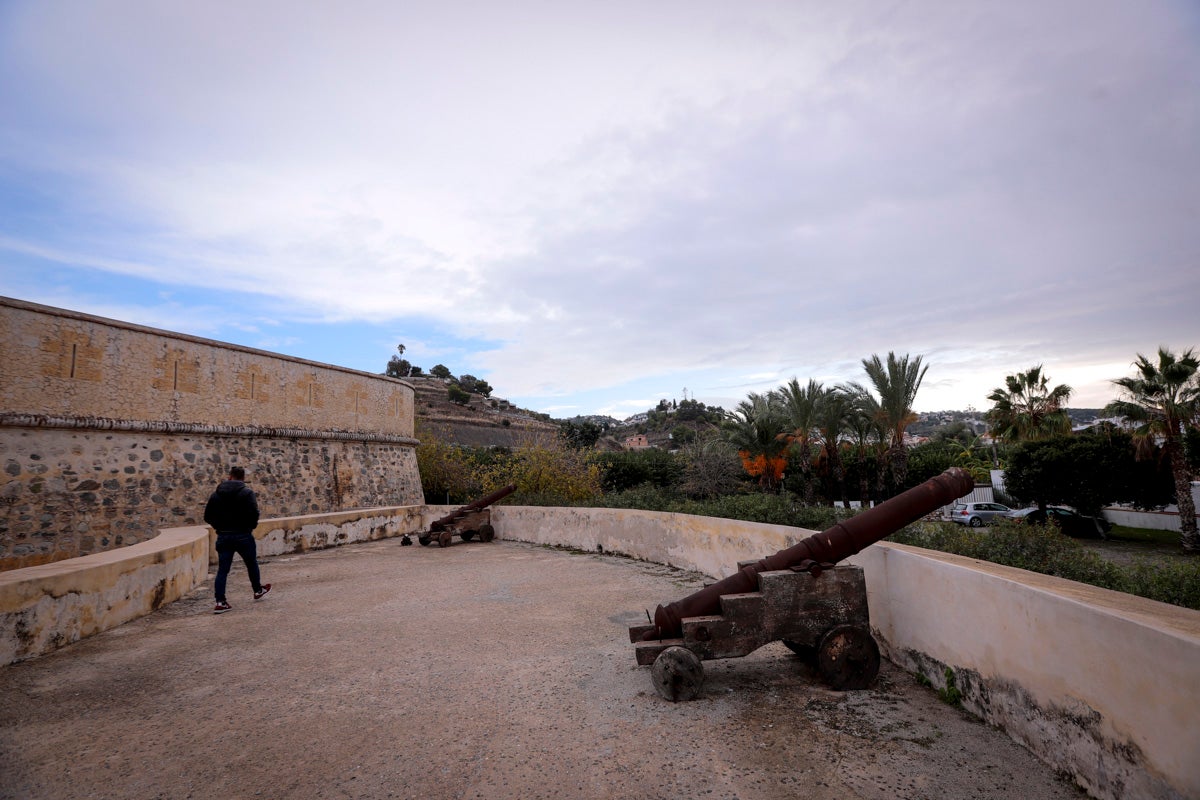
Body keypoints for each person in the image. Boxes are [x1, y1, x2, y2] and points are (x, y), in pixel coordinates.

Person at [204, 466, 270, 614]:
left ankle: (220, 602)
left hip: (224, 535)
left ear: (230, 476)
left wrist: (219, 527)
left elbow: (207, 516)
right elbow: (254, 513)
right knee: (251, 564)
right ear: (243, 477)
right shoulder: (247, 493)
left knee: (223, 570)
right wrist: (249, 527)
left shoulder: (216, 494)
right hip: (243, 535)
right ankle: (257, 590)